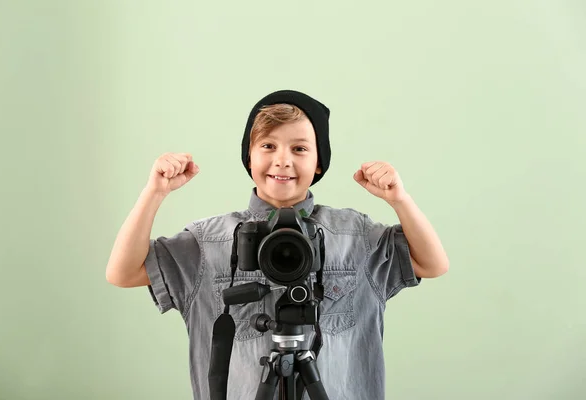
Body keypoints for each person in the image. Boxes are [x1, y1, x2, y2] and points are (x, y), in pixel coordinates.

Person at [105, 89, 449, 400]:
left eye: (299, 148)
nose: (283, 160)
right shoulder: (210, 242)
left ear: (318, 164)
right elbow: (123, 272)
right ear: (249, 158)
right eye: (268, 146)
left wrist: (399, 200)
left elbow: (432, 264)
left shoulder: (353, 236)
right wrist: (154, 193)